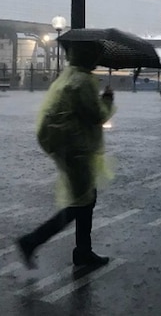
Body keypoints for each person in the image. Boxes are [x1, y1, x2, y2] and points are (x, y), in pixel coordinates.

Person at [17, 42, 115, 268]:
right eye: (95, 55)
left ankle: (82, 251)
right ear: (88, 57)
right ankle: (33, 241)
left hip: (67, 146)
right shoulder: (82, 82)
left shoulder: (69, 76)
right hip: (77, 148)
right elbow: (96, 115)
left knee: (85, 198)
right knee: (81, 202)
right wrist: (107, 100)